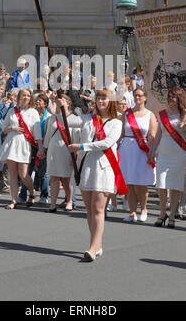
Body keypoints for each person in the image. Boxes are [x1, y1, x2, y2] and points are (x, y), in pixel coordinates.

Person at [67, 89, 126, 261]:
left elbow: (107, 142)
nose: (100, 101)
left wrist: (81, 146)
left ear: (111, 101)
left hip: (104, 167)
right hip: (86, 166)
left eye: (104, 98)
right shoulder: (87, 118)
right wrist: (63, 107)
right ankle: (97, 244)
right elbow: (68, 122)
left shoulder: (116, 122)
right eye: (98, 98)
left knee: (99, 209)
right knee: (89, 209)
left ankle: (92, 248)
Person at [149, 87, 186, 229]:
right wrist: (153, 150)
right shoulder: (162, 114)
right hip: (164, 154)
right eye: (169, 96)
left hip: (179, 153)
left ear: (179, 99)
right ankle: (162, 212)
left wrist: (184, 128)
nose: (170, 98)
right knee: (161, 184)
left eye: (173, 96)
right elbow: (158, 134)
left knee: (176, 185)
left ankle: (171, 215)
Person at [0, 88, 44, 209]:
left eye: (28, 95)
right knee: (13, 175)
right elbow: (4, 127)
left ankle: (32, 193)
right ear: (19, 97)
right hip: (11, 144)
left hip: (24, 145)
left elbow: (38, 133)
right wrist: (13, 128)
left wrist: (40, 148)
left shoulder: (33, 112)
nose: (26, 97)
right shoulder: (12, 111)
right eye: (24, 95)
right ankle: (14, 201)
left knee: (23, 174)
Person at [118, 88, 157, 222]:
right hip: (127, 149)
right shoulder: (127, 113)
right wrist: (116, 147)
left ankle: (144, 208)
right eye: (135, 95)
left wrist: (151, 152)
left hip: (142, 150)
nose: (137, 98)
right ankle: (132, 212)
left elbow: (152, 135)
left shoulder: (150, 114)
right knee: (129, 182)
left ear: (145, 97)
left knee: (140, 182)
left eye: (140, 95)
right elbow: (121, 132)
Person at [43, 94, 79, 212]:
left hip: (67, 151)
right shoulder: (52, 118)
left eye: (62, 100)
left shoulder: (74, 118)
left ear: (68, 103)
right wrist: (43, 149)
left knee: (67, 178)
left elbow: (76, 137)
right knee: (53, 177)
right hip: (53, 151)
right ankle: (53, 203)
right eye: (57, 101)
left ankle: (69, 201)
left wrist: (74, 155)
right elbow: (48, 136)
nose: (58, 102)